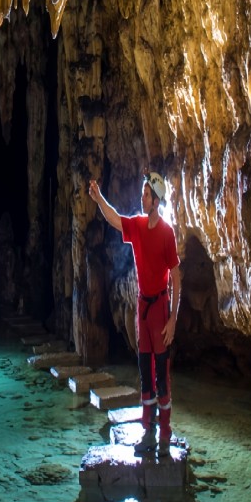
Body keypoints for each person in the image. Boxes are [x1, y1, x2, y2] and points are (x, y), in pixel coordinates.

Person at [89, 171, 181, 456]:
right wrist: (98, 198)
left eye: (146, 195)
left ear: (156, 201)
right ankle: (148, 431)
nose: (142, 198)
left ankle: (165, 433)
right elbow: (115, 219)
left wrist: (173, 319)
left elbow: (176, 277)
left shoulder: (166, 233)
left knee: (161, 374)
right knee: (144, 371)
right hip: (143, 307)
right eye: (143, 194)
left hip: (160, 309)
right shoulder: (139, 227)